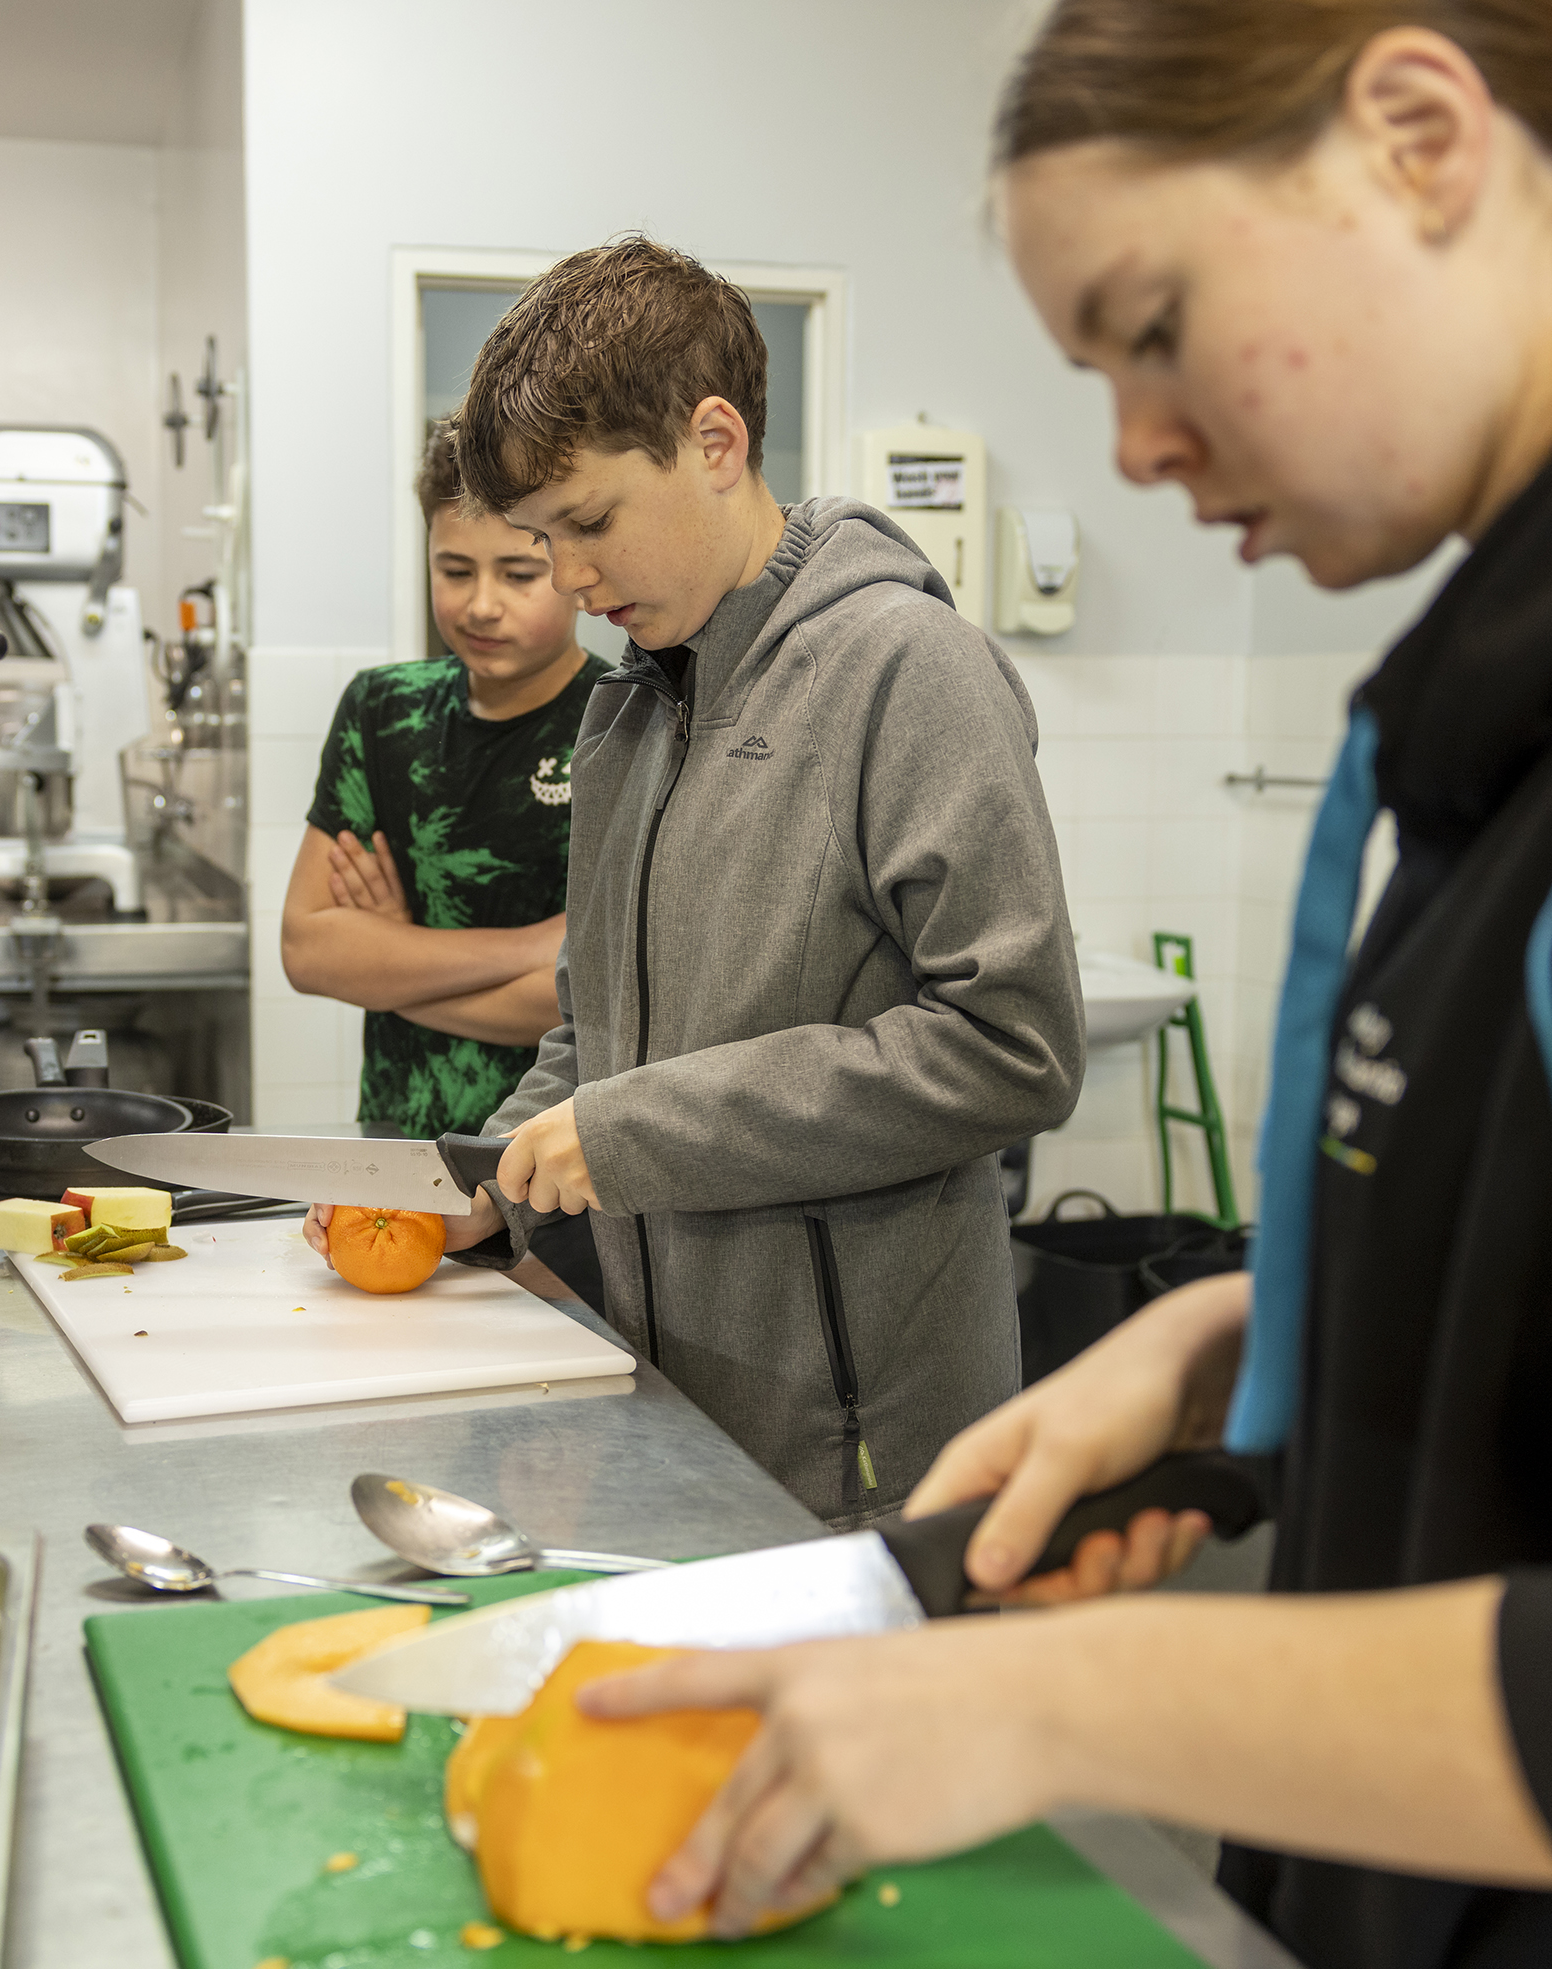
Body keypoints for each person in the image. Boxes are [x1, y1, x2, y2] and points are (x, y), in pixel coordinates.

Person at [576, 7, 1552, 1964]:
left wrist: (1041, 1710)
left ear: (1420, 140)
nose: (1133, 448)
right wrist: (1220, 1338)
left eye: (1156, 324)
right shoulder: (1481, 720)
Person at [437, 237, 1085, 1526]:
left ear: (715, 442)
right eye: (537, 537)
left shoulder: (909, 671)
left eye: (587, 524)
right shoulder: (630, 709)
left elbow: (1011, 1048)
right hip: (666, 1403)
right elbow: (594, 1030)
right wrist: (490, 1173)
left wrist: (632, 1135)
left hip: (864, 1445)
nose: (566, 577)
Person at [286, 423, 607, 1303]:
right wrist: (533, 945)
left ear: (573, 566)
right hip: (388, 1169)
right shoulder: (380, 711)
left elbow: (590, 1003)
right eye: (454, 569)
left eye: (518, 572)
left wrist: (389, 958)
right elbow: (309, 950)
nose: (481, 605)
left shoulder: (621, 724)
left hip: (552, 1192)